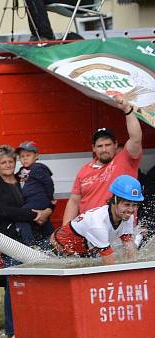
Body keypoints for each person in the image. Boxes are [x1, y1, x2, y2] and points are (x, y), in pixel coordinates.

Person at [0, 145, 53, 338]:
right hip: (11, 241)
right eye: (2, 163)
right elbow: (5, 211)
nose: (7, 165)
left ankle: (37, 325)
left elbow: (43, 198)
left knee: (41, 283)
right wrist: (34, 214)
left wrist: (48, 211)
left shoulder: (25, 179)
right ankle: (12, 330)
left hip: (38, 235)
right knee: (14, 285)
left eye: (10, 161)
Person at [63, 96, 143, 225]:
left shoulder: (125, 159)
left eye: (108, 145)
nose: (104, 149)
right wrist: (65, 230)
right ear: (93, 148)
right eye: (100, 146)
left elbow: (136, 138)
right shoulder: (84, 170)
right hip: (89, 231)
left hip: (119, 230)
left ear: (115, 145)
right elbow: (74, 201)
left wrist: (128, 111)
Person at [51, 174, 141, 264]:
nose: (131, 210)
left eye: (134, 205)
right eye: (127, 205)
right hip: (56, 250)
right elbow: (110, 264)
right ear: (114, 200)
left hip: (83, 252)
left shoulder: (127, 215)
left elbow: (129, 246)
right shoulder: (98, 223)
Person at [14, 141, 55, 244]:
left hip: (39, 200)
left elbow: (48, 184)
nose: (25, 158)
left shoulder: (39, 168)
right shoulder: (21, 171)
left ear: (36, 156)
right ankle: (53, 241)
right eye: (22, 156)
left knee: (21, 216)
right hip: (30, 202)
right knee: (42, 221)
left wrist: (50, 199)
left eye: (28, 155)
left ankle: (30, 244)